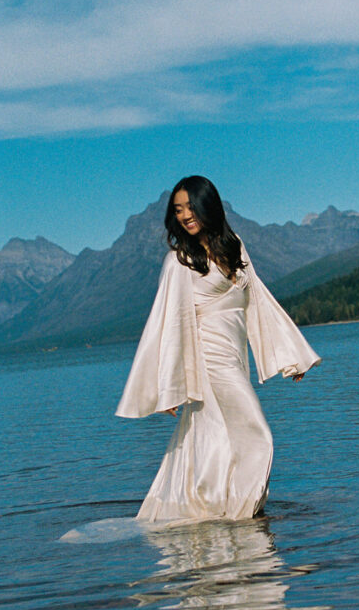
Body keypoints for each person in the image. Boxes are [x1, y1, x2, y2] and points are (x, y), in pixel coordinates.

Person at [115, 176, 320, 523]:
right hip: (209, 363)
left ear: (208, 205)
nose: (184, 215)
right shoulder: (179, 261)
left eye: (190, 207)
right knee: (259, 437)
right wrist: (169, 387)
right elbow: (167, 324)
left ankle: (222, 523)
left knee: (219, 444)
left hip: (234, 359)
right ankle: (243, 519)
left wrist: (291, 357)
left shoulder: (235, 246)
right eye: (177, 210)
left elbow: (257, 301)